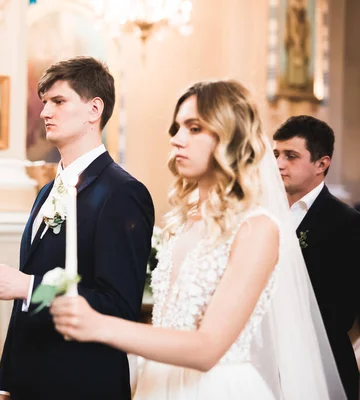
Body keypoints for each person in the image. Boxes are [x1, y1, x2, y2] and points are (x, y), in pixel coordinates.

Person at [50, 80, 346, 399]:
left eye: (194, 128)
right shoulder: (182, 223)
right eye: (176, 128)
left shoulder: (257, 228)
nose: (177, 140)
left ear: (230, 138)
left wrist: (100, 326)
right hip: (160, 384)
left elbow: (208, 349)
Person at [0, 56, 155, 400]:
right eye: (44, 102)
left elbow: (118, 306)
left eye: (58, 101)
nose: (44, 112)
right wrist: (6, 382)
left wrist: (28, 286)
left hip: (83, 381)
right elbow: (26, 303)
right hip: (30, 380)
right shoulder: (46, 192)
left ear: (93, 110)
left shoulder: (122, 193)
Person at [273, 115, 360, 399]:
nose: (279, 164)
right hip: (270, 363)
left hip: (321, 364)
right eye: (276, 154)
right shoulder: (263, 215)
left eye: (291, 156)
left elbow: (341, 312)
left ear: (321, 164)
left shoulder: (347, 223)